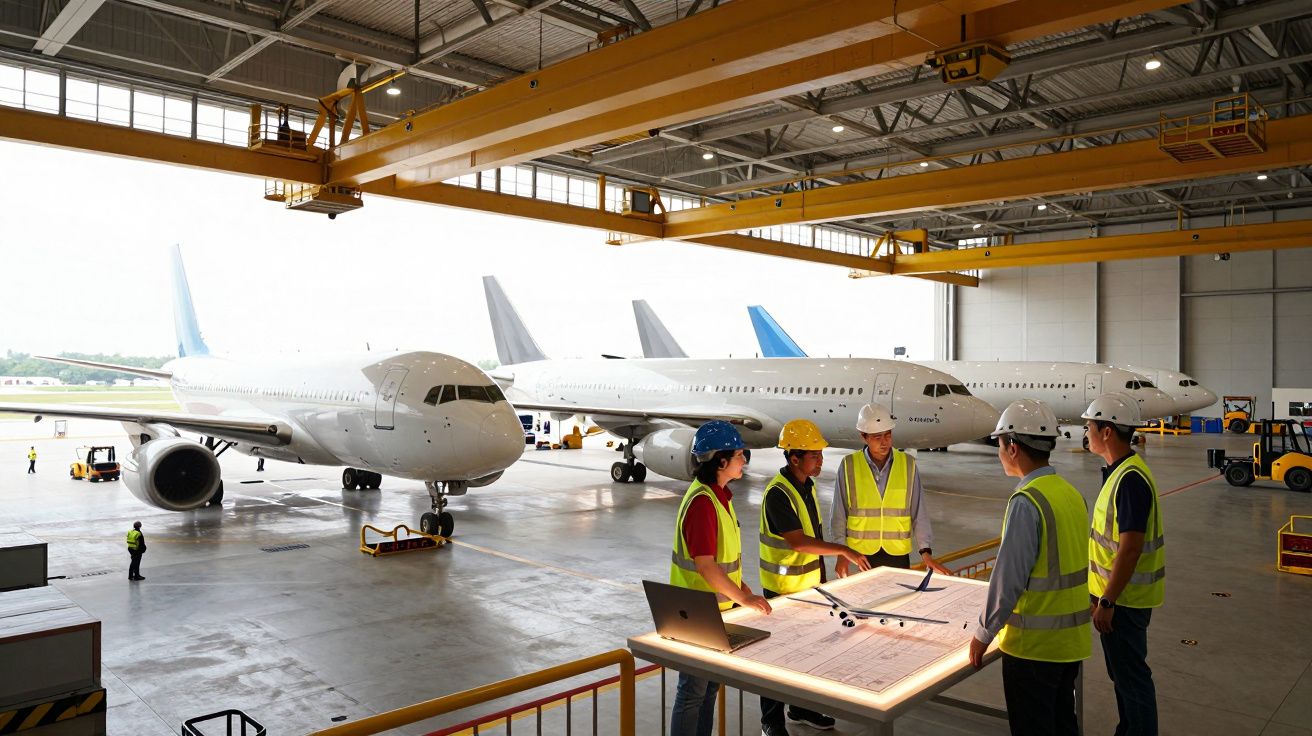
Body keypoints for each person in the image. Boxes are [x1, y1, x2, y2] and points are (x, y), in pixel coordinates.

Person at [969, 400, 1091, 736]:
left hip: (1034, 648)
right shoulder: (1071, 494)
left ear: (1012, 447)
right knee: (1063, 724)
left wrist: (983, 634)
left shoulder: (1027, 502)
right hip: (1070, 642)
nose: (999, 453)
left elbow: (1008, 580)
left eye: (999, 444)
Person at [758, 419, 870, 735]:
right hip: (783, 590)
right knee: (777, 658)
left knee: (807, 653)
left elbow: (812, 536)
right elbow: (798, 541)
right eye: (814, 455)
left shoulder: (806, 485)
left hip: (808, 587)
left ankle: (801, 708)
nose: (821, 460)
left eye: (820, 454)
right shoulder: (778, 493)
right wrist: (843, 550)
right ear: (794, 458)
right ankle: (771, 721)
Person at [669, 420, 770, 736]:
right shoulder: (703, 503)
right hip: (697, 611)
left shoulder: (719, 496)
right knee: (692, 692)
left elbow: (721, 562)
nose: (744, 461)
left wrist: (740, 588)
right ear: (721, 461)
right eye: (740, 455)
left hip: (714, 608)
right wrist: (745, 598)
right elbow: (706, 567)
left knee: (709, 687)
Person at [1084, 394, 1165, 736]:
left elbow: (1130, 548)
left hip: (1124, 602)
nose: (1086, 433)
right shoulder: (1120, 472)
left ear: (1107, 431)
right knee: (1123, 676)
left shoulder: (1129, 479)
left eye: (1089, 426)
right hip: (1120, 597)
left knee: (1131, 678)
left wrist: (1107, 600)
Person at [828, 403, 950, 576]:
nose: (884, 442)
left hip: (897, 554)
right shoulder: (849, 465)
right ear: (864, 437)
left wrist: (926, 552)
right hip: (859, 555)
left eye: (888, 435)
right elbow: (838, 514)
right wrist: (842, 552)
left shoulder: (907, 464)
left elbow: (919, 512)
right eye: (877, 437)